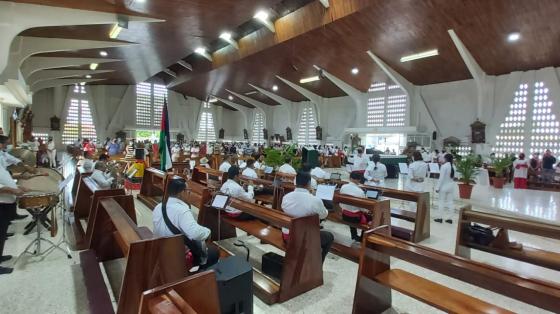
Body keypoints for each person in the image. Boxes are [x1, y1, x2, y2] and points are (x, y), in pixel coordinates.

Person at [153, 178, 218, 270]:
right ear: (181, 192)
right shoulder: (182, 210)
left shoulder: (158, 206)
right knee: (214, 252)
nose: (189, 194)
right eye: (188, 191)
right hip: (177, 254)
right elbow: (195, 233)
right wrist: (208, 232)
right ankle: (199, 277)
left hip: (161, 248)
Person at [281, 171, 333, 264]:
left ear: (295, 183)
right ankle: (317, 266)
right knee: (329, 237)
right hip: (302, 239)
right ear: (309, 184)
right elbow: (323, 215)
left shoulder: (286, 197)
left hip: (286, 235)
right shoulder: (314, 200)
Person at [340, 172, 370, 241]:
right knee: (371, 217)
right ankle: (363, 238)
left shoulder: (343, 187)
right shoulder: (360, 192)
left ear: (350, 178)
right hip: (355, 218)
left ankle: (354, 235)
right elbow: (363, 208)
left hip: (344, 215)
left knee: (351, 210)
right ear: (359, 180)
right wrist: (368, 211)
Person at [435, 153, 455, 224]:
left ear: (446, 159)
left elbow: (441, 178)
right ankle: (450, 219)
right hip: (451, 186)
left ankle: (440, 218)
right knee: (450, 202)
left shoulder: (444, 166)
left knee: (441, 202)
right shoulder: (454, 166)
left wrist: (437, 187)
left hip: (444, 187)